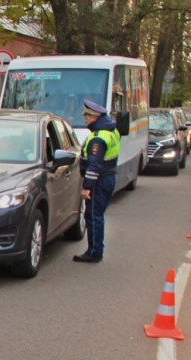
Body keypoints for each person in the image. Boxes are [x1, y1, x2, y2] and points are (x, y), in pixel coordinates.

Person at [73, 99, 120, 263]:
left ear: (94, 117)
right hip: (109, 177)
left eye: (86, 116)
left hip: (99, 181)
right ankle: (95, 249)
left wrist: (87, 187)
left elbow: (94, 166)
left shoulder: (98, 139)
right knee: (96, 214)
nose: (85, 119)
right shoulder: (112, 131)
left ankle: (94, 252)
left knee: (93, 216)